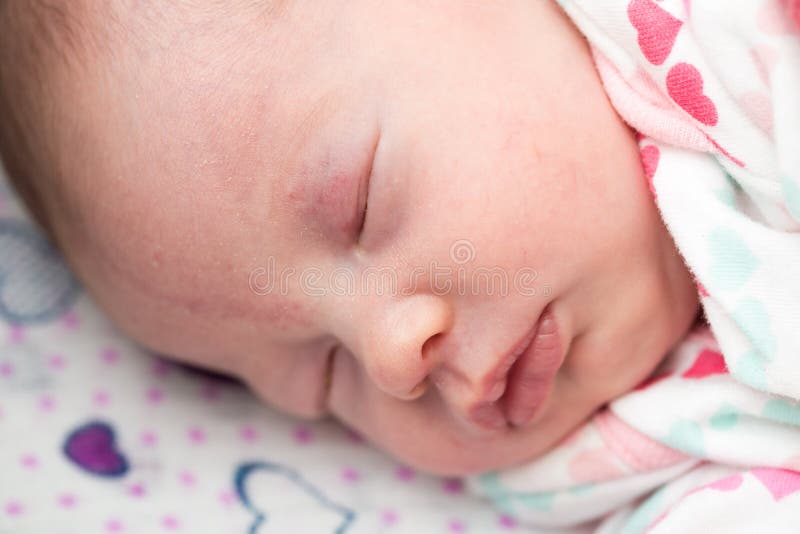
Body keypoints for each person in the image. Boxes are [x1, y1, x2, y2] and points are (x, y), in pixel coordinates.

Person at [0, 0, 796, 530]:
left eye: (362, 207)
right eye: (323, 375)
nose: (390, 358)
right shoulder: (637, 471)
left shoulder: (735, 36)